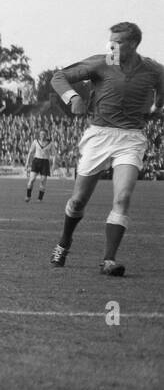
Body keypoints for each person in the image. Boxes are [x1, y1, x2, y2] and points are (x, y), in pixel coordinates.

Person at [49, 22, 164, 275]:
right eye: (110, 40)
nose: (111, 45)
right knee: (78, 200)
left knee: (123, 197)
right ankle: (64, 241)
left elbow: (161, 91)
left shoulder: (154, 69)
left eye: (118, 41)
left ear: (133, 44)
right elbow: (59, 77)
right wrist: (74, 97)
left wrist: (157, 109)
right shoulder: (102, 63)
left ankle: (109, 260)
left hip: (131, 138)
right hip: (99, 136)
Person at [24, 132, 54, 203]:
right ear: (39, 135)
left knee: (43, 181)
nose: (42, 136)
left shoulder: (50, 143)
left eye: (44, 134)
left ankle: (39, 199)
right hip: (36, 161)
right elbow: (30, 152)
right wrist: (27, 163)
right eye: (41, 134)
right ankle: (28, 196)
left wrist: (53, 165)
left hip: (45, 162)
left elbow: (54, 154)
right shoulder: (35, 142)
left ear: (46, 135)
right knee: (32, 179)